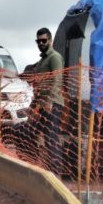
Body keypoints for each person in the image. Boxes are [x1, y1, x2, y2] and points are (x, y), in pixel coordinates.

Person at [31, 27, 65, 170]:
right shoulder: (42, 61)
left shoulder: (54, 57)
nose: (41, 43)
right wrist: (33, 105)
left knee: (51, 136)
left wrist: (50, 102)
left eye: (44, 40)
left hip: (52, 104)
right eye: (38, 41)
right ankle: (35, 163)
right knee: (30, 131)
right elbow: (39, 84)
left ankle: (56, 170)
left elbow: (57, 80)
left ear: (50, 41)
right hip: (41, 104)